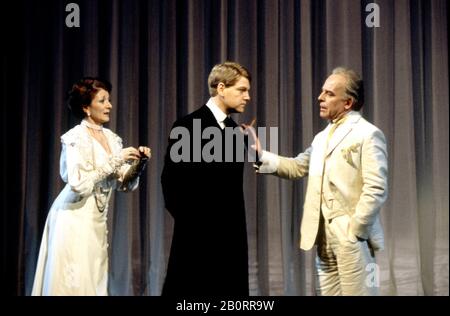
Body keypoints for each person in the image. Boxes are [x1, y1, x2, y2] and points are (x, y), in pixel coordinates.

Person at [247, 67, 388, 295]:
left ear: (348, 102)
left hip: (350, 234)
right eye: (322, 92)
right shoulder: (322, 137)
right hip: (323, 236)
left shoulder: (368, 134)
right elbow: (297, 166)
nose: (320, 97)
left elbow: (377, 188)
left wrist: (356, 231)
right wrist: (261, 156)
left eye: (329, 93)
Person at [31, 77, 151, 295]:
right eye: (103, 100)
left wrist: (139, 164)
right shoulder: (75, 138)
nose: (109, 106)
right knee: (74, 279)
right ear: (86, 107)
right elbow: (78, 183)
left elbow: (124, 184)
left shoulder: (112, 138)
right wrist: (115, 160)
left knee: (94, 279)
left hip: (96, 221)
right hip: (73, 217)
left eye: (109, 100)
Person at [161, 61, 252, 296]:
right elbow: (171, 185)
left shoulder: (234, 131)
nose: (248, 97)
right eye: (242, 90)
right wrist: (196, 227)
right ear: (221, 88)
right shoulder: (188, 126)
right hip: (196, 243)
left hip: (230, 243)